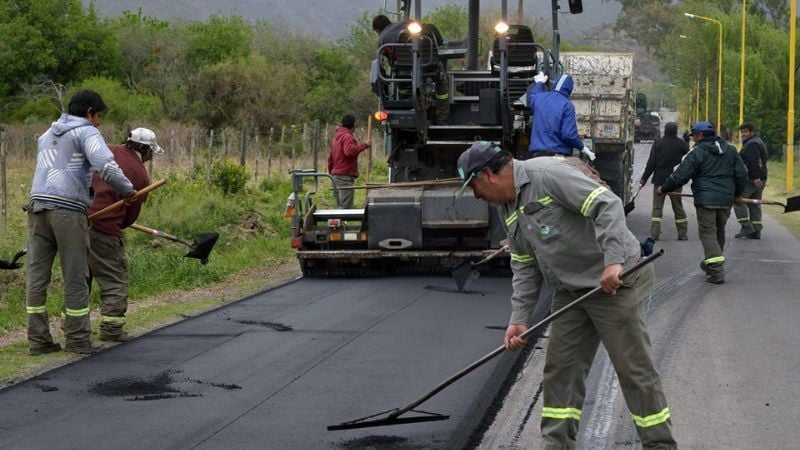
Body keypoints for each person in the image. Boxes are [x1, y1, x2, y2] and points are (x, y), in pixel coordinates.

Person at [457, 141, 676, 449]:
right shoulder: (507, 207)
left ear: (489, 175)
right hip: (571, 292)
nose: (476, 196)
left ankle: (660, 444)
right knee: (561, 371)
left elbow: (607, 204)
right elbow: (524, 266)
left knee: (632, 370)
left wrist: (613, 261)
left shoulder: (548, 175)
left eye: (474, 186)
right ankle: (556, 445)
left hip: (615, 284)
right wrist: (519, 319)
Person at [26, 90, 135, 355]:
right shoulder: (86, 132)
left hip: (37, 208)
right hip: (67, 211)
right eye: (99, 116)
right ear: (89, 113)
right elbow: (106, 166)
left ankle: (38, 340)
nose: (99, 122)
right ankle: (77, 339)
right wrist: (127, 190)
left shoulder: (47, 134)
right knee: (75, 276)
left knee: (36, 278)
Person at [87, 128, 163, 342]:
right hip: (104, 228)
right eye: (150, 153)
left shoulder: (107, 150)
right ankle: (112, 329)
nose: (149, 159)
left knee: (79, 278)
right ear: (145, 149)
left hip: (77, 221)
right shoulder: (139, 174)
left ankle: (74, 329)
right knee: (114, 277)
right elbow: (129, 217)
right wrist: (119, 222)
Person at [659, 121, 748, 284]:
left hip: (706, 201)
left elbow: (680, 175)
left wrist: (664, 188)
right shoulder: (730, 150)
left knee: (708, 234)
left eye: (695, 136)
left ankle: (716, 272)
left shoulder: (697, 152)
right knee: (718, 232)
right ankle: (711, 263)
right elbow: (742, 175)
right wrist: (736, 194)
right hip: (726, 200)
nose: (694, 139)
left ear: (700, 135)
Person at [372, 14, 450, 124]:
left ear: (377, 30)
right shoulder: (409, 23)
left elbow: (390, 60)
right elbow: (438, 40)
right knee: (441, 85)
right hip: (430, 66)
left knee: (401, 83)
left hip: (404, 72)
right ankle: (443, 120)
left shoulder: (383, 38)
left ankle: (406, 104)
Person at [639, 122, 690, 241]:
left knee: (657, 208)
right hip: (675, 182)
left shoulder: (658, 144)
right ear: (676, 131)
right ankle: (682, 234)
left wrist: (644, 179)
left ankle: (654, 234)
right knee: (678, 207)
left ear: (665, 131)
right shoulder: (681, 145)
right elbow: (688, 163)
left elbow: (651, 163)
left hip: (659, 182)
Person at [527, 73, 595, 161]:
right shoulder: (567, 105)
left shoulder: (539, 98)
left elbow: (532, 97)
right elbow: (568, 135)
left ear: (554, 84)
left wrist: (539, 83)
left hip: (537, 157)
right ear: (569, 89)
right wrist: (584, 148)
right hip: (558, 158)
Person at [733, 122, 769, 239]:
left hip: (753, 179)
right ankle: (756, 231)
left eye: (745, 132)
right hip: (761, 177)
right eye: (742, 132)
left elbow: (754, 162)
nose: (743, 134)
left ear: (751, 132)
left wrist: (755, 178)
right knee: (754, 203)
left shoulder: (752, 144)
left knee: (738, 200)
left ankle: (746, 226)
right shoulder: (758, 141)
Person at [328, 114, 371, 209]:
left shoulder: (336, 137)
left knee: (340, 205)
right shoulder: (347, 136)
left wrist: (331, 173)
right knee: (345, 207)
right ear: (353, 125)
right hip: (344, 176)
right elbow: (349, 151)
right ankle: (340, 222)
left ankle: (339, 223)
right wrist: (365, 145)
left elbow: (330, 158)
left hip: (336, 175)